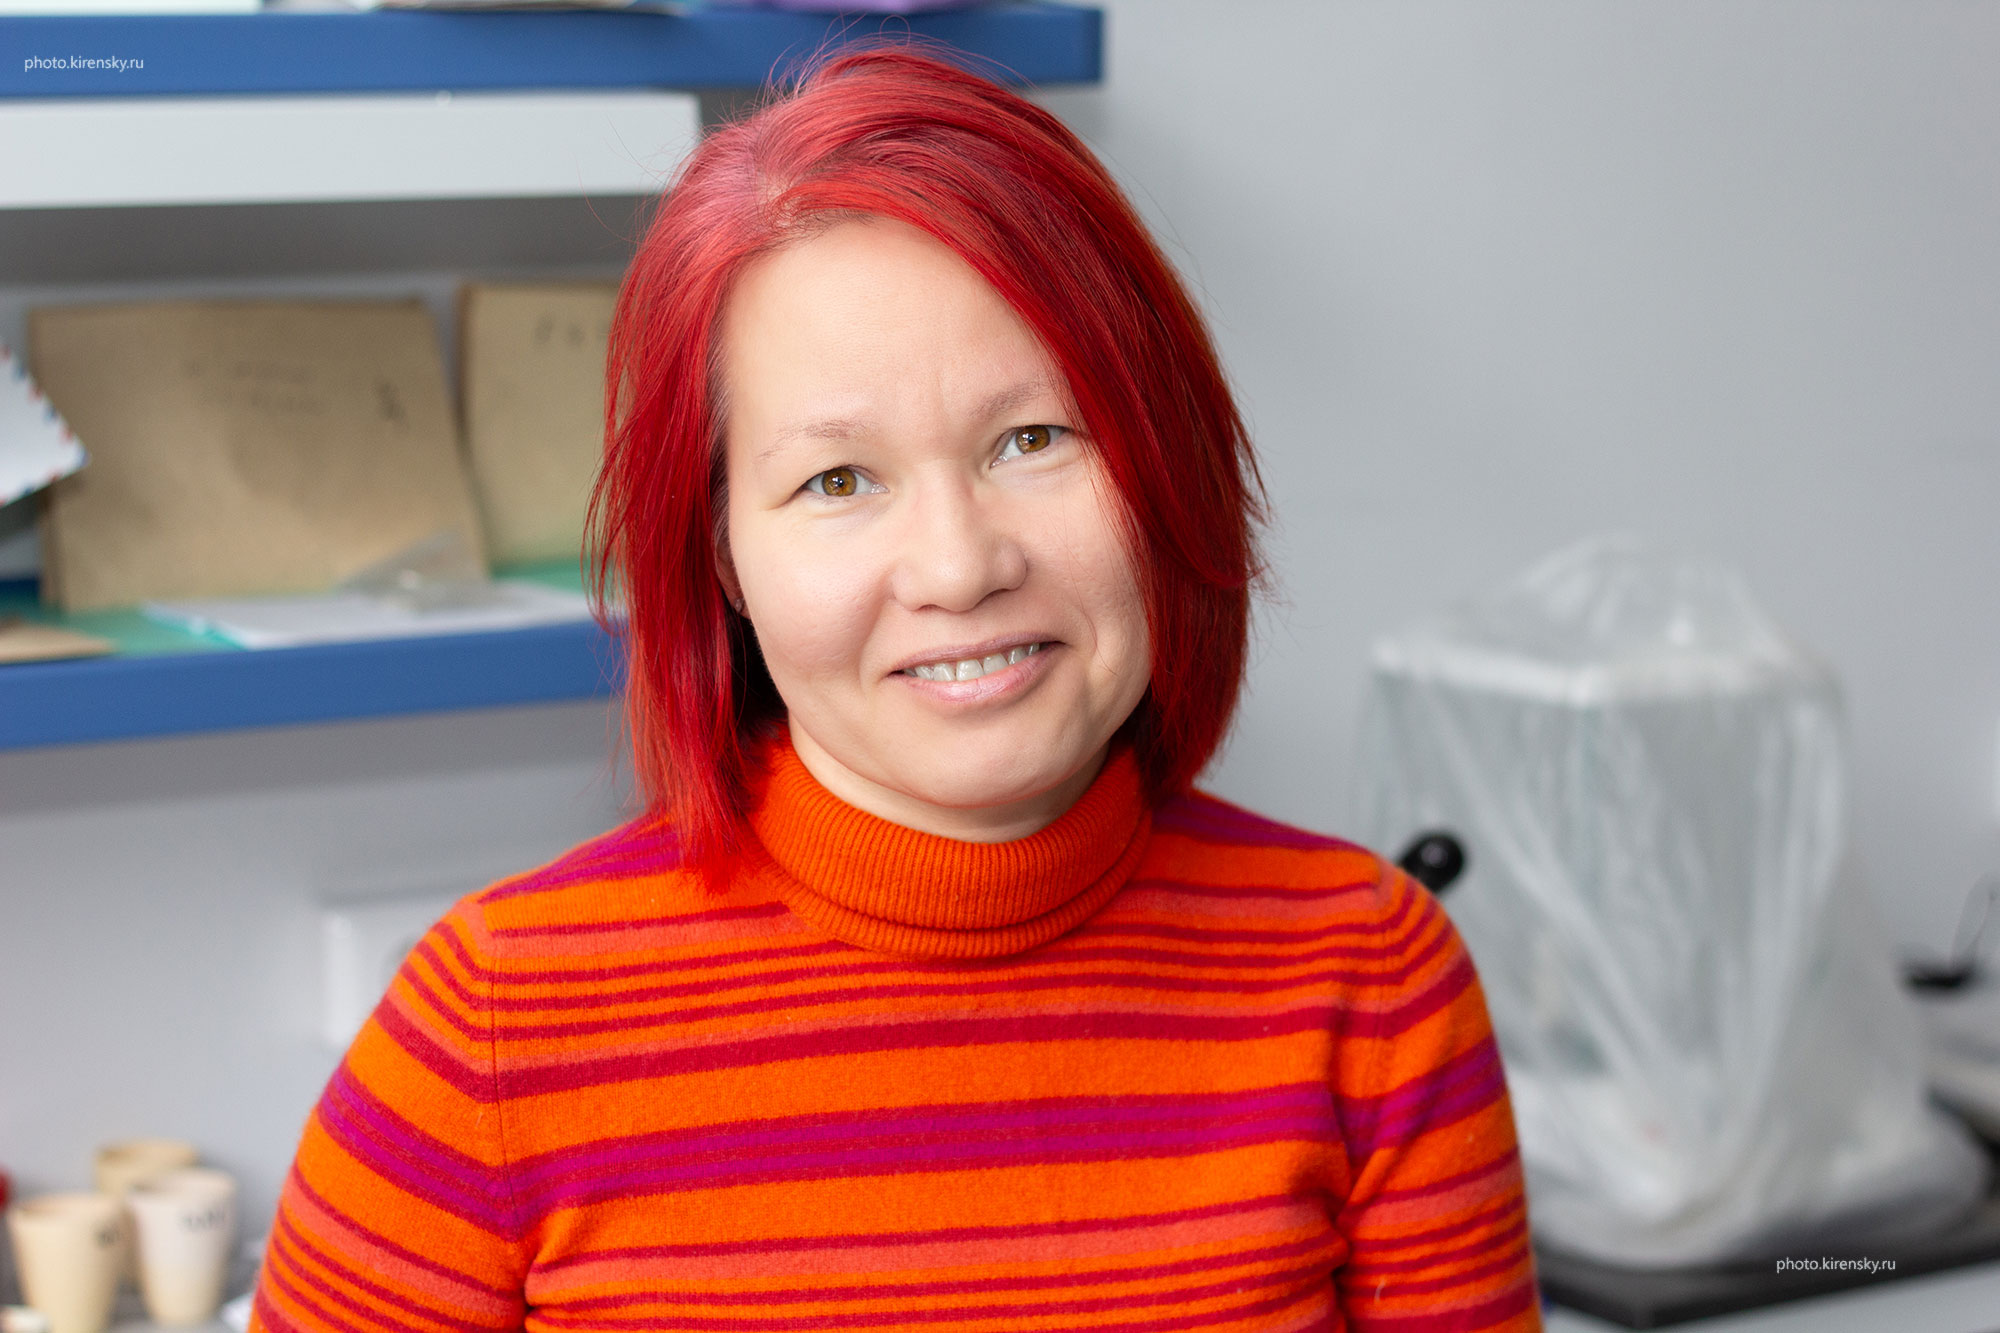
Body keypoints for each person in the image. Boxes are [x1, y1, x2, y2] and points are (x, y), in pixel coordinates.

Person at [249, 45, 1540, 1333]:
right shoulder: (487, 1029)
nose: (960, 566)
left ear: (1163, 458)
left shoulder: (1371, 981)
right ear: (721, 555)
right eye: (838, 480)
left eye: (1033, 438)